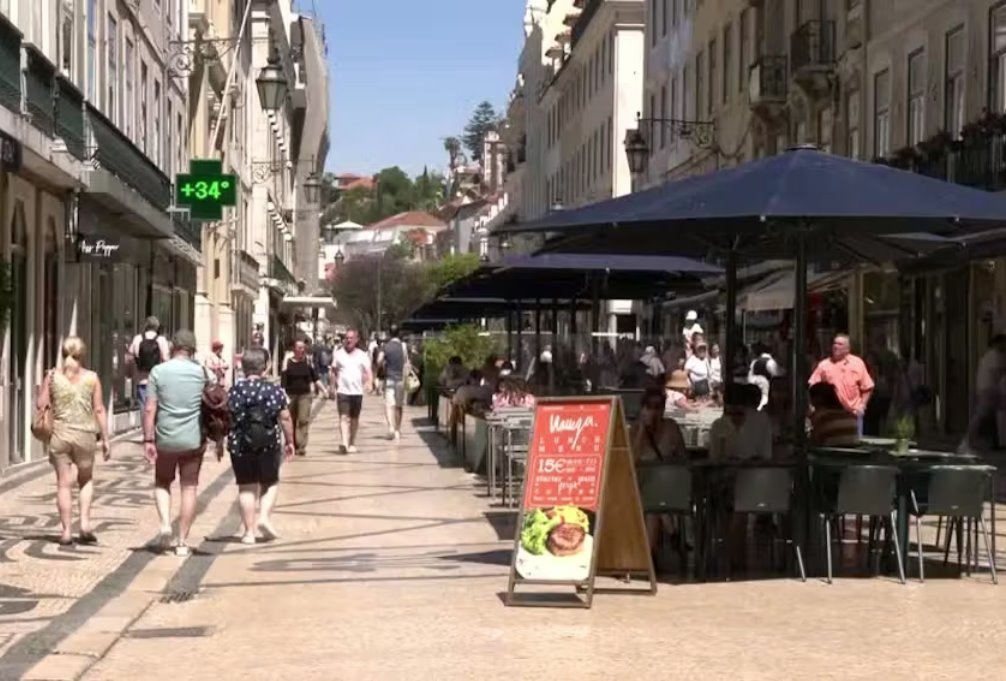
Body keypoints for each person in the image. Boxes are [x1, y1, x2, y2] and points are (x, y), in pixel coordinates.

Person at [143, 329, 215, 556]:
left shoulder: (158, 371)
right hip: (193, 438)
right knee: (189, 487)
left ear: (173, 346)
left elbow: (149, 408)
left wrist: (148, 439)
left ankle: (165, 524)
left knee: (162, 482)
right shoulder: (202, 372)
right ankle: (182, 542)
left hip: (165, 437)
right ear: (192, 348)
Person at [38, 337, 111, 546]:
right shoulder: (92, 378)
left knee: (63, 484)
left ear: (63, 354)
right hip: (85, 436)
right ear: (83, 355)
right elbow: (99, 409)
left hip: (60, 436)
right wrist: (106, 438)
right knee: (86, 479)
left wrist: (47, 383)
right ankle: (85, 525)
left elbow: (41, 404)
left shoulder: (52, 376)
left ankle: (66, 531)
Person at [228, 347, 296, 544]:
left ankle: (249, 533)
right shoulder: (274, 391)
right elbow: (285, 417)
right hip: (268, 445)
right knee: (270, 482)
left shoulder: (235, 391)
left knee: (246, 487)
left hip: (240, 445)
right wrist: (290, 441)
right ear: (265, 368)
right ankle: (264, 517)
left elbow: (228, 417)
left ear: (243, 367)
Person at [632, 386, 687, 560]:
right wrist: (643, 430)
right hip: (641, 485)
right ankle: (671, 533)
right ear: (643, 409)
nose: (654, 411)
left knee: (654, 502)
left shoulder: (671, 427)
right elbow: (631, 460)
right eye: (649, 406)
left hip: (667, 483)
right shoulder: (634, 430)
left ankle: (650, 557)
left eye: (658, 407)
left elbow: (682, 457)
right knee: (653, 505)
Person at [808, 334, 874, 435]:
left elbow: (867, 387)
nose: (835, 346)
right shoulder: (824, 365)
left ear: (847, 349)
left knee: (854, 444)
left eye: (839, 344)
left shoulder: (858, 363)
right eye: (834, 343)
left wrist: (862, 405)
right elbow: (812, 386)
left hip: (853, 414)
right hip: (831, 415)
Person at [961, 334, 1006, 452]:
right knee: (982, 415)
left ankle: (995, 442)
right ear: (997, 343)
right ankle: (967, 441)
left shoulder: (992, 355)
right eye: (1003, 343)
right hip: (989, 389)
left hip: (990, 389)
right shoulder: (993, 355)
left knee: (991, 416)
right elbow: (999, 371)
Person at [282, 339, 326, 457]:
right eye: (299, 348)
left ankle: (301, 446)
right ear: (294, 349)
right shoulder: (288, 361)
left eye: (303, 348)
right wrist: (282, 394)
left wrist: (324, 390)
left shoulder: (308, 361)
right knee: (291, 420)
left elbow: (315, 378)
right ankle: (291, 444)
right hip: (290, 395)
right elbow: (283, 380)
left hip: (305, 395)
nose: (302, 350)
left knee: (303, 419)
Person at [331, 328, 372, 454]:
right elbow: (333, 371)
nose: (348, 340)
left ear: (356, 339)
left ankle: (352, 442)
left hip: (357, 392)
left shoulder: (362, 355)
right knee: (343, 417)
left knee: (354, 419)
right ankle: (344, 443)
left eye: (351, 338)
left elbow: (368, 371)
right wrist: (332, 387)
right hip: (343, 391)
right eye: (347, 338)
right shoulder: (338, 354)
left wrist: (370, 383)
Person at [708, 383, 772, 462]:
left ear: (747, 408)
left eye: (739, 414)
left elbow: (766, 456)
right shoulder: (718, 426)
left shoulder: (761, 422)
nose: (735, 418)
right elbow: (714, 459)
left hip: (756, 472)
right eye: (731, 414)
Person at [128, 316, 170, 414]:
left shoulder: (137, 338)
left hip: (141, 380)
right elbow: (166, 359)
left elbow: (129, 358)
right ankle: (153, 427)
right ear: (157, 327)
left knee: (144, 407)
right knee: (156, 408)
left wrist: (130, 373)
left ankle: (146, 427)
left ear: (145, 325)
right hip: (157, 381)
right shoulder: (161, 340)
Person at [377, 325, 409, 441]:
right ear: (398, 332)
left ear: (389, 333)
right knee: (399, 406)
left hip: (389, 378)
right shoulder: (403, 346)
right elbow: (405, 362)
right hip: (400, 379)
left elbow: (379, 361)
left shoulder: (385, 346)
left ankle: (390, 427)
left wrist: (384, 363)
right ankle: (397, 430)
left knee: (389, 404)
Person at [808, 382, 860, 447]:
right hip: (853, 454)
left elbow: (814, 441)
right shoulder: (850, 415)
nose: (810, 401)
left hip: (829, 454)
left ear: (818, 398)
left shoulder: (821, 417)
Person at [748, 343, 779, 410]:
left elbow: (750, 378)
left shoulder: (754, 362)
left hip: (756, 395)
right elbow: (776, 377)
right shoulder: (771, 362)